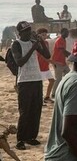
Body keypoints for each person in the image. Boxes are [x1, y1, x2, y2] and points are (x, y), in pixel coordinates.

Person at [11, 21, 51, 150]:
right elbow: (20, 62)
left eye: (29, 30)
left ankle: (31, 136)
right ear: (20, 33)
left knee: (36, 109)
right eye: (26, 31)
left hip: (36, 79)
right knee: (25, 111)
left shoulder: (33, 42)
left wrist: (41, 42)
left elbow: (47, 55)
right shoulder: (16, 44)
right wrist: (33, 48)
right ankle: (20, 139)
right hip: (24, 81)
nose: (29, 33)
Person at [36, 28, 56, 103]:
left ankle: (47, 97)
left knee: (52, 81)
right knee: (39, 85)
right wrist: (51, 61)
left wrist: (49, 60)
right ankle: (39, 99)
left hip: (46, 66)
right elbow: (41, 55)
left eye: (45, 35)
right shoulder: (37, 43)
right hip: (40, 67)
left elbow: (47, 54)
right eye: (42, 35)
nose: (44, 36)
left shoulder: (46, 43)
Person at [51, 28, 71, 93]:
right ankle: (53, 93)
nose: (67, 34)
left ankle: (63, 89)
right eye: (66, 32)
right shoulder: (59, 40)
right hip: (57, 62)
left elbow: (64, 53)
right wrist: (72, 56)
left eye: (67, 32)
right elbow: (63, 51)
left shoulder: (64, 40)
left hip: (62, 62)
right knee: (58, 79)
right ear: (61, 32)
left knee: (69, 75)